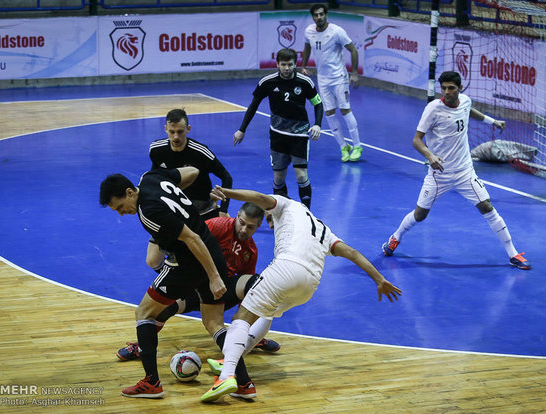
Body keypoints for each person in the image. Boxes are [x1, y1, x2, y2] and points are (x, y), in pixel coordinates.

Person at [200, 186, 402, 402]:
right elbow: (351, 253)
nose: (267, 219)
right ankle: (234, 358)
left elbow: (259, 198)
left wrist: (226, 193)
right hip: (309, 285)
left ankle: (228, 375)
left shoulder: (286, 205)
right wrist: (379, 279)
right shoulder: (323, 228)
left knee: (242, 318)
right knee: (267, 312)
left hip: (287, 268)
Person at [381, 71, 531, 271]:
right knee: (420, 214)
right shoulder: (433, 108)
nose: (446, 92)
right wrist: (430, 156)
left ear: (460, 88)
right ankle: (395, 237)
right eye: (443, 88)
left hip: (464, 172)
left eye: (451, 88)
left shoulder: (465, 101)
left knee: (486, 207)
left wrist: (491, 121)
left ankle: (513, 254)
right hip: (439, 174)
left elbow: (469, 110)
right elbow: (416, 140)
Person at [100, 167, 229, 398]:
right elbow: (192, 171)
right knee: (213, 322)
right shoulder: (151, 178)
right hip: (212, 250)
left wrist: (214, 276)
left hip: (190, 263)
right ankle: (240, 380)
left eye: (120, 207)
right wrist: (177, 200)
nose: (122, 214)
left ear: (129, 193)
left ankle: (151, 382)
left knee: (144, 313)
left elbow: (191, 238)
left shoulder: (147, 211)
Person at [116, 203, 281, 372]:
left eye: (251, 227)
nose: (244, 229)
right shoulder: (218, 226)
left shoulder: (250, 251)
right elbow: (188, 242)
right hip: (194, 282)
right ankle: (141, 345)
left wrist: (248, 327)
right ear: (236, 216)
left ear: (258, 227)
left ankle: (252, 337)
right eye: (242, 222)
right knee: (164, 309)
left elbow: (249, 296)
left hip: (219, 291)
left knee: (254, 283)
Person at [233, 48, 323, 209]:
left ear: (296, 64)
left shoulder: (305, 82)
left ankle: (307, 214)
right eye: (283, 64)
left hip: (299, 135)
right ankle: (283, 213)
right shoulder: (267, 82)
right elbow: (253, 106)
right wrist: (242, 129)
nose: (287, 68)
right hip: (278, 136)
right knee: (279, 178)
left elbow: (318, 104)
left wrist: (317, 124)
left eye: (290, 64)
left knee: (301, 176)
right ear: (277, 64)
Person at [147, 108, 233, 272]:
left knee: (210, 258)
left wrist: (223, 210)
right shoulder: (156, 150)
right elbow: (155, 176)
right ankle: (172, 278)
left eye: (180, 131)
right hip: (172, 212)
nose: (176, 137)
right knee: (152, 260)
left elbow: (226, 177)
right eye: (172, 132)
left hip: (202, 211)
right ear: (165, 129)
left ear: (188, 129)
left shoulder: (200, 152)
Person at [302, 3, 363, 163]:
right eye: (316, 15)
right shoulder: (309, 31)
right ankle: (344, 147)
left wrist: (354, 73)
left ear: (326, 15)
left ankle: (357, 146)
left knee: (344, 110)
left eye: (321, 14)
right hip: (323, 79)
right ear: (313, 17)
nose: (319, 17)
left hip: (339, 78)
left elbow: (353, 50)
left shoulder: (337, 31)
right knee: (328, 112)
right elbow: (307, 47)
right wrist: (303, 65)